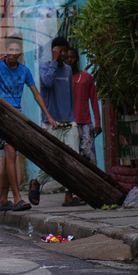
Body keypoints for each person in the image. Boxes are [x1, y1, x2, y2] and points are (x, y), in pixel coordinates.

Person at [0, 34, 53, 212]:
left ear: (20, 52)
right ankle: (16, 198)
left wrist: (49, 116)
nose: (12, 53)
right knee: (10, 153)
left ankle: (2, 199)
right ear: (5, 51)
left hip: (17, 117)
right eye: (10, 50)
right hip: (0, 115)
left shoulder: (24, 71)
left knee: (11, 156)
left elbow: (36, 94)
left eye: (16, 50)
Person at [33, 36, 83, 206]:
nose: (63, 54)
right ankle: (37, 182)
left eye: (64, 50)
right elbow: (46, 83)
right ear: (53, 51)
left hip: (69, 121)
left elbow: (68, 95)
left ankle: (69, 195)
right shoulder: (44, 67)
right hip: (51, 123)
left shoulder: (68, 70)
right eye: (59, 51)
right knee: (51, 160)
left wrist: (72, 117)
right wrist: (54, 61)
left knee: (72, 159)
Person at [65, 48, 102, 166]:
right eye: (66, 58)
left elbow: (94, 101)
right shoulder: (62, 79)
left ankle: (92, 183)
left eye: (72, 57)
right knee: (72, 158)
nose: (69, 60)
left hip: (85, 124)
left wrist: (98, 123)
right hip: (68, 125)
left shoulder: (86, 77)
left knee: (89, 158)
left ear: (77, 58)